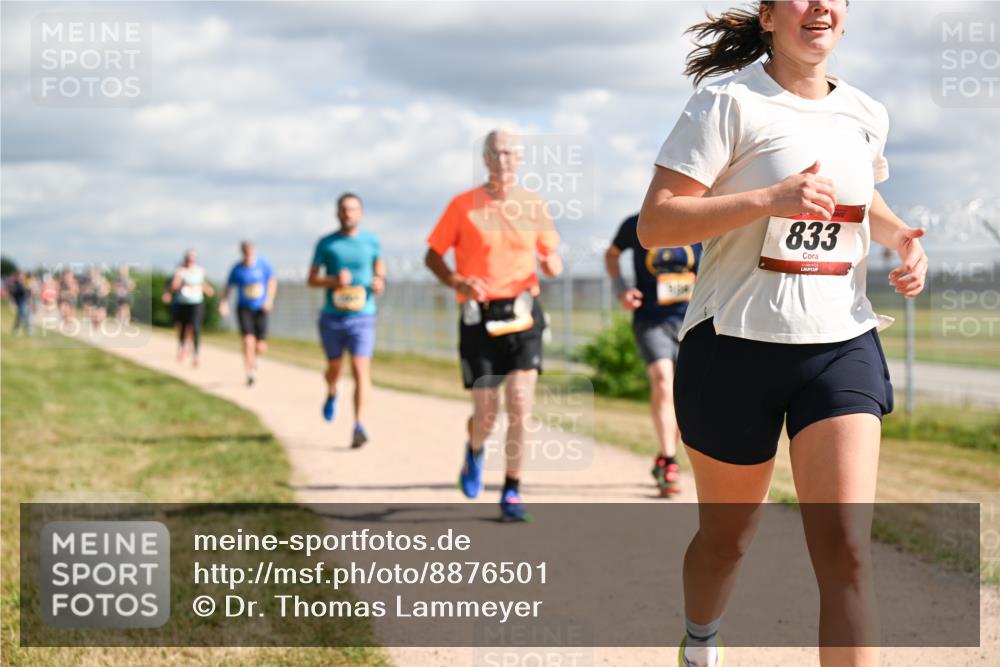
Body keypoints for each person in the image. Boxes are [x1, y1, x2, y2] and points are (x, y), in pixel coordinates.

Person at [637, 3, 928, 666]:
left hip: (839, 342)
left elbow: (861, 201)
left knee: (848, 549)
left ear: (846, 20)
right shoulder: (727, 102)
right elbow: (657, 223)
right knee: (727, 538)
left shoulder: (865, 113)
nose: (820, 4)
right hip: (734, 346)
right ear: (769, 17)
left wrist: (900, 237)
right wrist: (770, 200)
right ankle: (701, 640)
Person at [424, 129, 563, 522]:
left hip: (522, 314)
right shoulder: (462, 206)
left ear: (519, 160)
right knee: (486, 414)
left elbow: (550, 255)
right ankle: (474, 449)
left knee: (520, 404)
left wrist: (552, 264)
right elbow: (432, 256)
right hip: (478, 316)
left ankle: (512, 491)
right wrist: (455, 281)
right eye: (496, 153)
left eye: (510, 154)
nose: (503, 160)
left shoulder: (534, 205)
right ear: (485, 159)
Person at [606, 214, 701, 496]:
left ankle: (663, 454)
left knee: (682, 394)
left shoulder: (701, 220)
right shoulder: (637, 223)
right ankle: (671, 462)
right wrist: (621, 288)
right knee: (662, 380)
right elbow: (612, 255)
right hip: (651, 319)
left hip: (693, 320)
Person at [308, 193, 386, 448]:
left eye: (353, 209)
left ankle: (359, 425)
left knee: (360, 369)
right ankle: (332, 391)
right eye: (344, 209)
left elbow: (379, 270)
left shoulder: (371, 242)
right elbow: (311, 279)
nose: (348, 213)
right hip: (333, 316)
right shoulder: (326, 244)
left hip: (363, 315)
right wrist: (332, 281)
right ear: (337, 213)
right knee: (334, 369)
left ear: (360, 214)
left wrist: (379, 282)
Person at [219, 241, 277, 386]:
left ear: (254, 250)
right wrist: (224, 302)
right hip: (244, 307)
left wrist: (269, 299)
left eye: (250, 250)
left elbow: (272, 281)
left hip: (260, 308)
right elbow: (229, 286)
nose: (247, 252)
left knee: (260, 346)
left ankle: (254, 360)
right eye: (245, 250)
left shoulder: (263, 264)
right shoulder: (237, 268)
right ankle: (249, 371)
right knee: (247, 340)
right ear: (242, 251)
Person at [170, 249, 214, 367]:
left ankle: (196, 354)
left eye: (192, 259)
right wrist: (182, 283)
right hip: (183, 302)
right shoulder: (180, 270)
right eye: (188, 259)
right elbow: (174, 286)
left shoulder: (200, 271)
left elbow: (202, 284)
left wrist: (208, 289)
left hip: (196, 302)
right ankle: (182, 348)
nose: (190, 261)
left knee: (195, 327)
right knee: (183, 327)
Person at [8, 272, 32, 336]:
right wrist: (12, 303)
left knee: (20, 317)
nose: (22, 278)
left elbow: (27, 293)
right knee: (24, 316)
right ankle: (27, 330)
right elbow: (13, 295)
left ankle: (17, 330)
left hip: (24, 303)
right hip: (20, 303)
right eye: (21, 277)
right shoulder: (16, 285)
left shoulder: (23, 284)